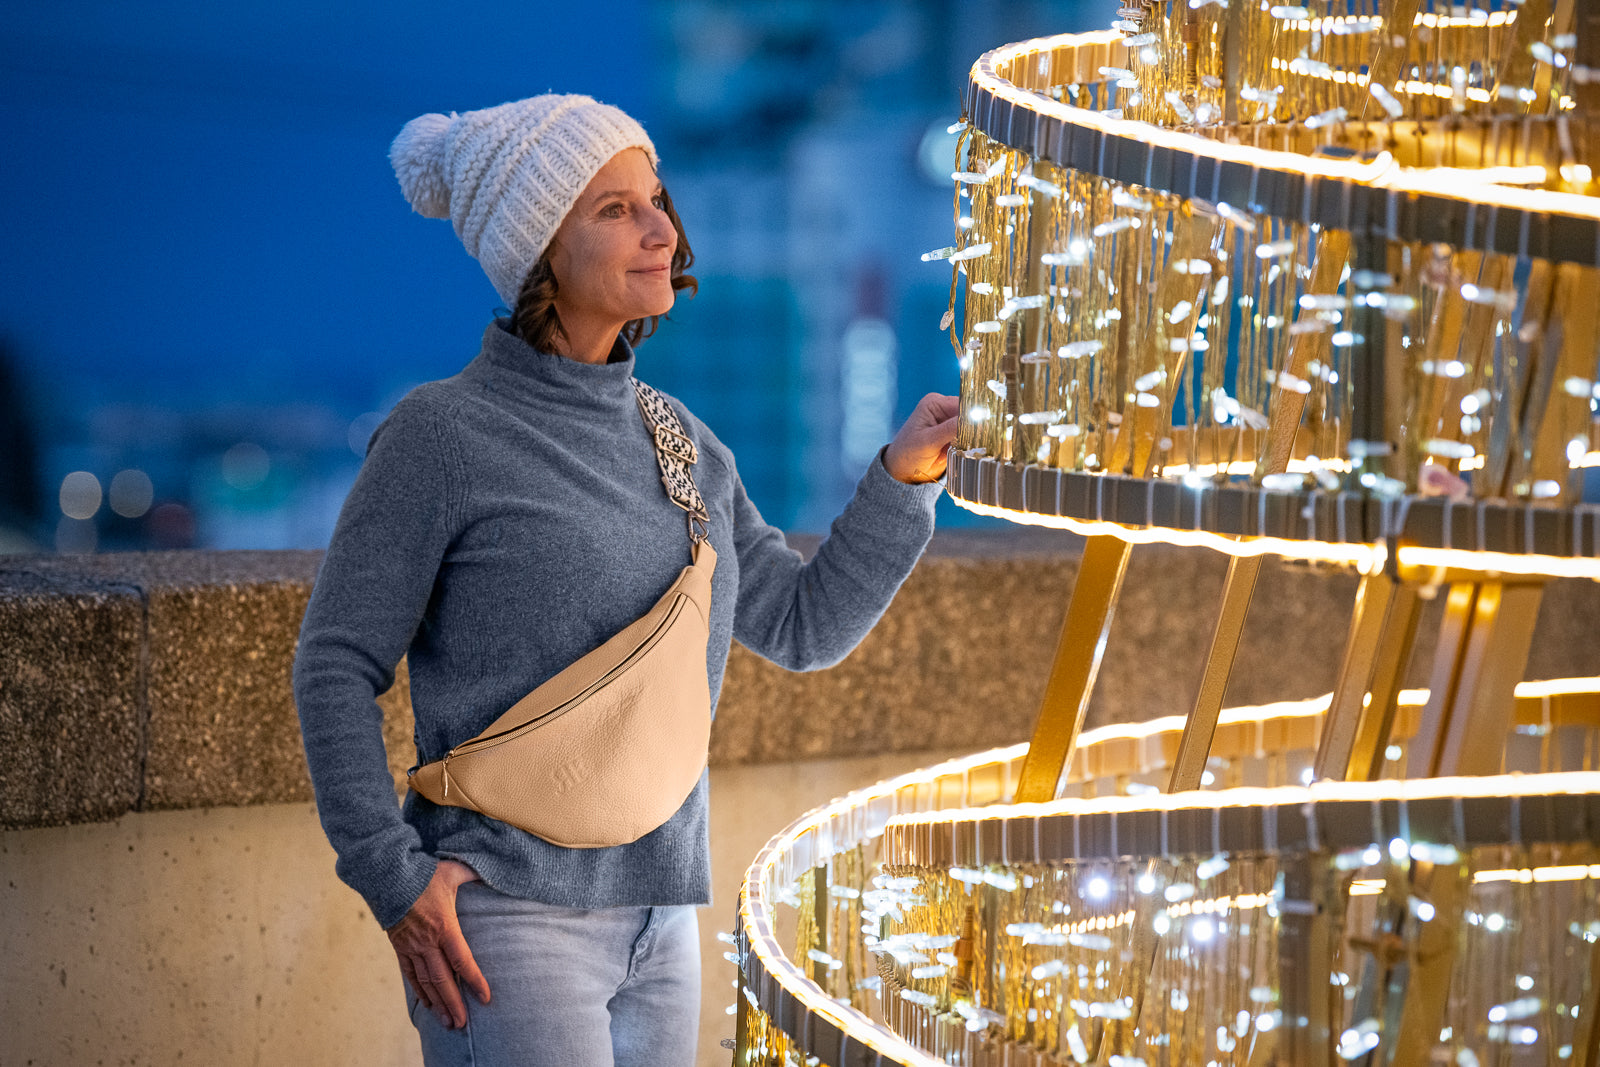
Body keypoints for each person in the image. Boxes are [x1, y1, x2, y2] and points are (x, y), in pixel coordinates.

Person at [293, 93, 958, 1067]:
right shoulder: (441, 436)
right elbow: (333, 664)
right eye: (613, 209)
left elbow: (803, 625)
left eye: (655, 199)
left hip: (663, 920)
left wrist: (903, 479)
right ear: (537, 251)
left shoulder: (681, 440)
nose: (660, 229)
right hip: (509, 926)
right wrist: (391, 876)